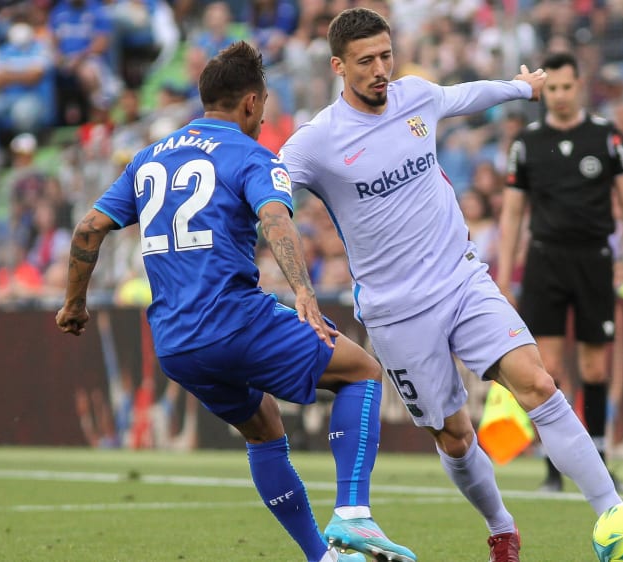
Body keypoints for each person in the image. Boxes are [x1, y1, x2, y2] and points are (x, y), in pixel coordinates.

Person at [280, 9, 623, 562]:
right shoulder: (317, 142)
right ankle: (501, 528)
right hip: (396, 312)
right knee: (454, 436)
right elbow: (268, 194)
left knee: (538, 383)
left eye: (385, 55)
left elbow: (465, 95)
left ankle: (615, 512)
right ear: (337, 66)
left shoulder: (415, 96)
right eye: (365, 61)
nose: (381, 69)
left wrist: (521, 86)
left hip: (462, 278)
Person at [55, 41, 415, 562]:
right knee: (360, 372)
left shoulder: (148, 157)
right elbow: (275, 219)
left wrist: (74, 305)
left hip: (176, 343)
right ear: (250, 103)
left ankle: (322, 557)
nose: (263, 113)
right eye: (263, 103)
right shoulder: (250, 154)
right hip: (234, 320)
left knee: (264, 428)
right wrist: (304, 291)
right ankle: (354, 514)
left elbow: (90, 228)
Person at [495, 52, 623, 495]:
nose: (560, 96)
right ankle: (553, 468)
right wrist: (504, 279)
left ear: (579, 86)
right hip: (545, 260)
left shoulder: (606, 137)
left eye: (567, 87)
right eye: (553, 89)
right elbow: (512, 216)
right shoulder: (526, 143)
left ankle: (600, 463)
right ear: (544, 92)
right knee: (549, 368)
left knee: (595, 367)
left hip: (594, 259)